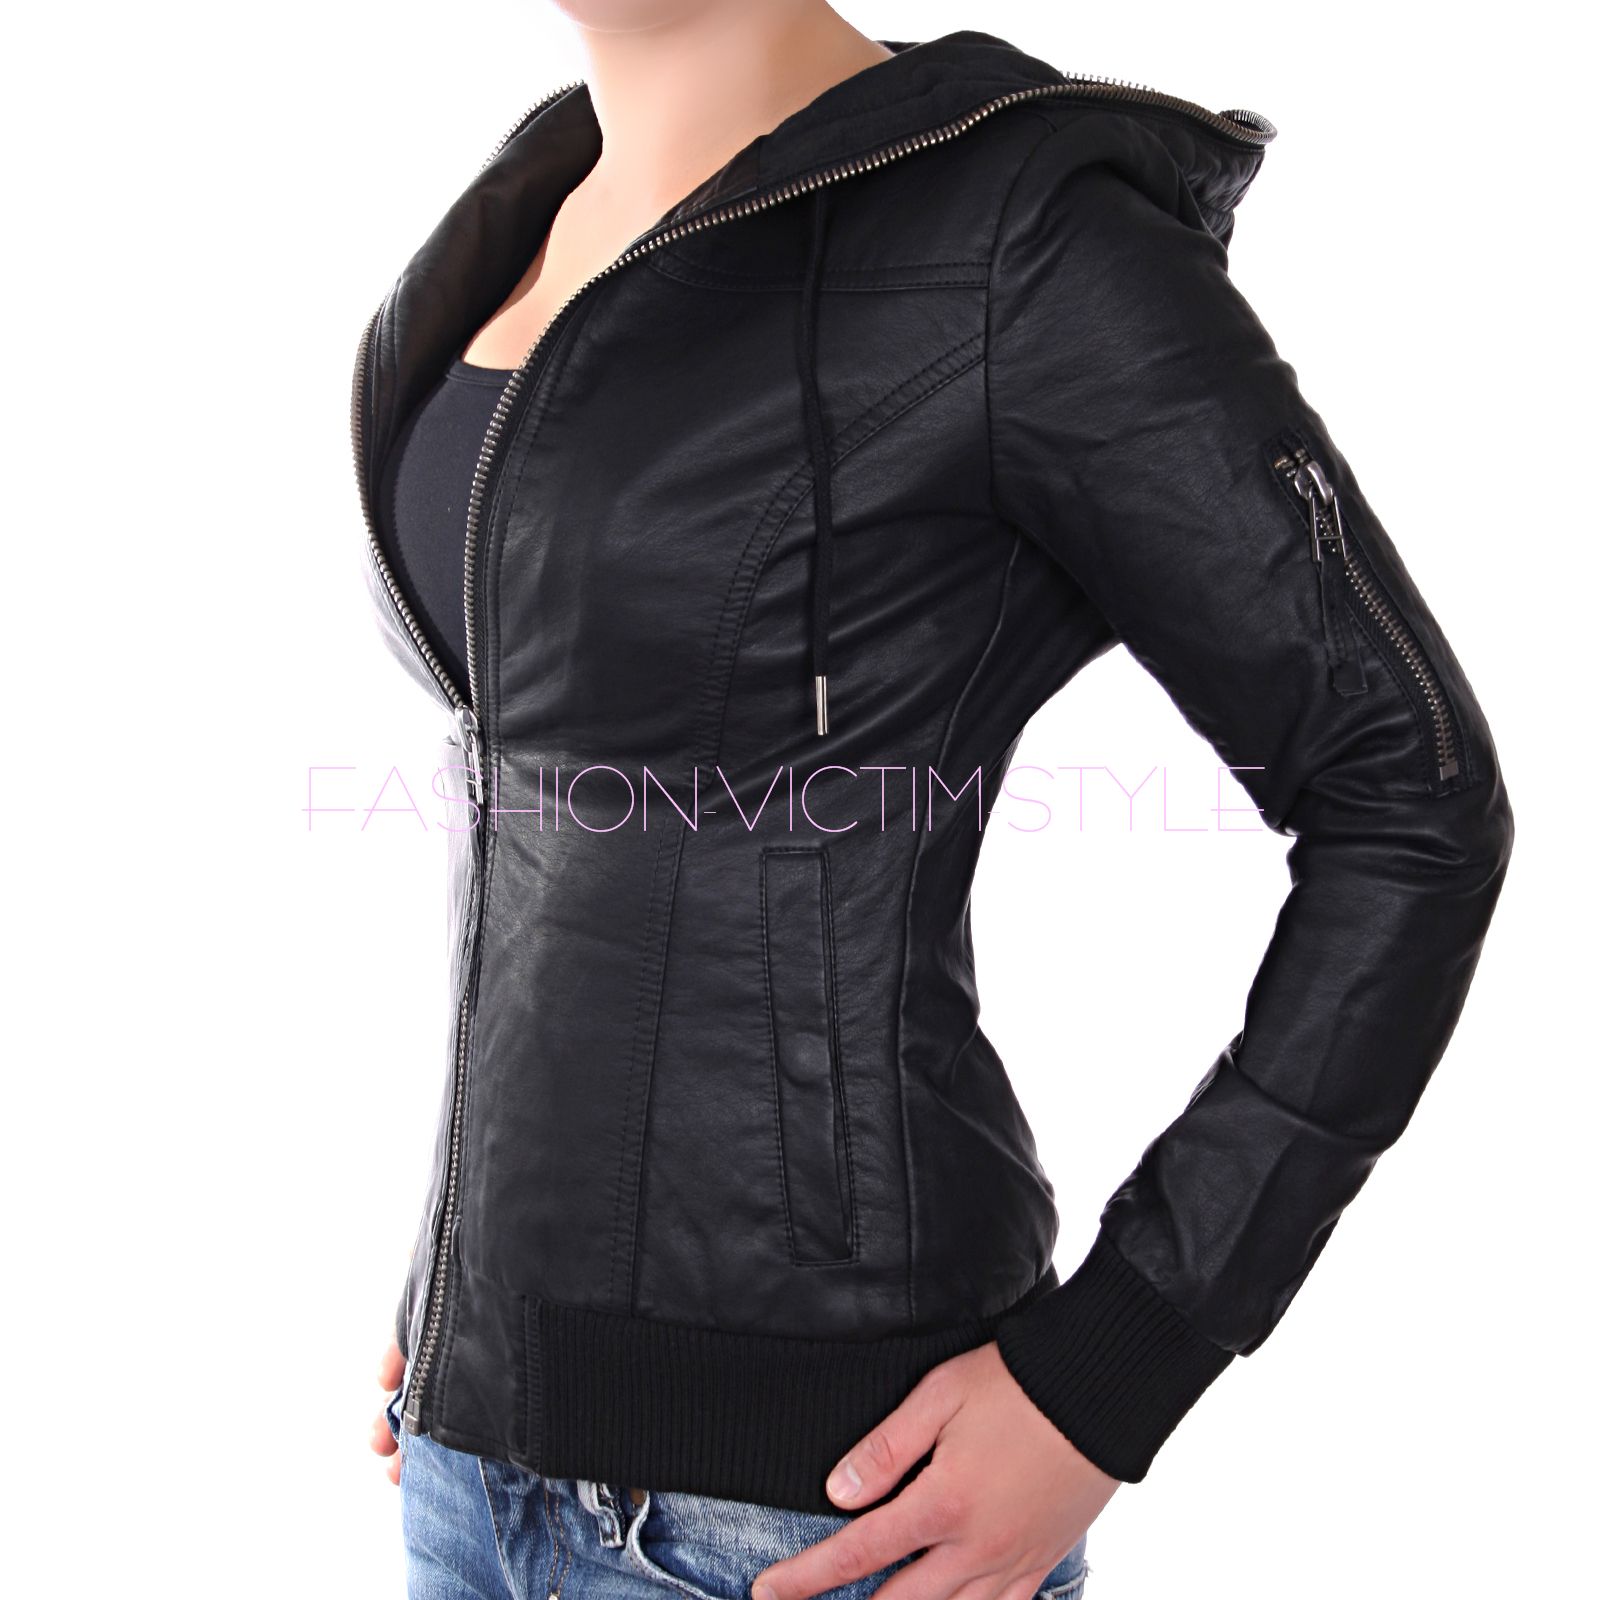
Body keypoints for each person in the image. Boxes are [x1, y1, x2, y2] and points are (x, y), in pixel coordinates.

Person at [351, 4, 1515, 1597]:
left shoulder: (1015, 233)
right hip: (466, 1473)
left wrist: (1114, 1372)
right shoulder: (526, 212)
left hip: (804, 1514)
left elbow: (1413, 798)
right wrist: (476, 1295)